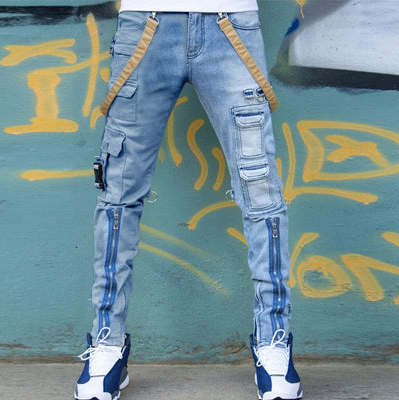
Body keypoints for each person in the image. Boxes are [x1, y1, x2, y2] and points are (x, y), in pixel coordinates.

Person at [74, 1, 303, 400]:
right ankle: (107, 342)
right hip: (145, 23)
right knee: (119, 190)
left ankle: (273, 339)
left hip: (230, 22)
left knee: (260, 188)